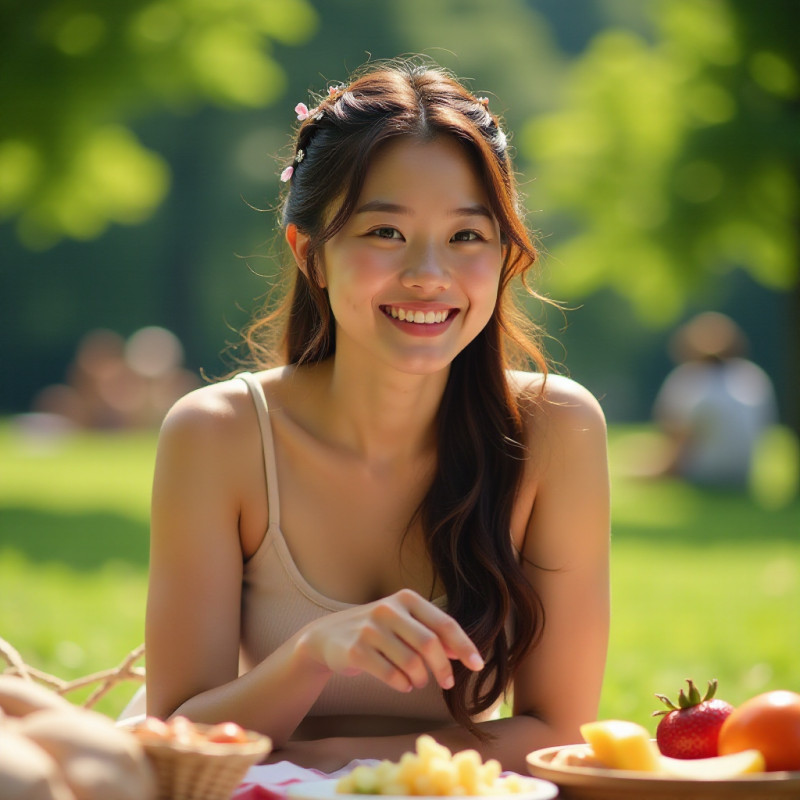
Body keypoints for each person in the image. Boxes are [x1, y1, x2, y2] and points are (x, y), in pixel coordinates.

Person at [142, 58, 610, 773]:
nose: (428, 274)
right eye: (384, 233)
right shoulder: (220, 434)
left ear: (506, 256)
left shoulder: (554, 430)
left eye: (467, 236)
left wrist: (328, 761)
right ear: (312, 255)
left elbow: (558, 735)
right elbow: (174, 734)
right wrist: (311, 653)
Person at [653, 312, 778, 489]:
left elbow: (676, 436)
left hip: (700, 472)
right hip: (743, 474)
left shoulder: (687, 379)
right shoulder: (754, 377)